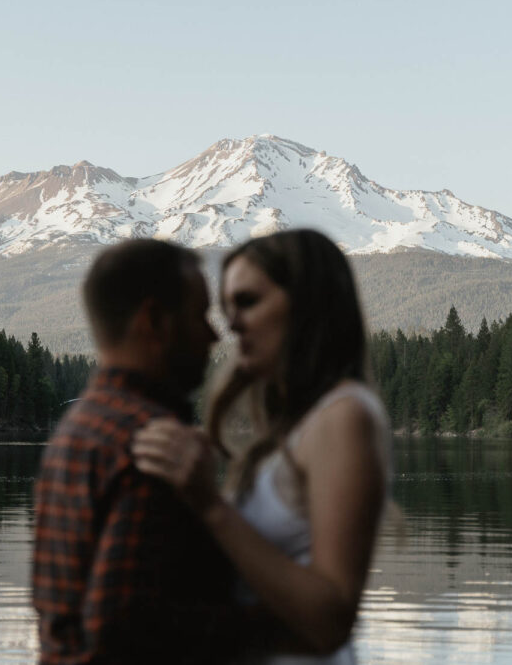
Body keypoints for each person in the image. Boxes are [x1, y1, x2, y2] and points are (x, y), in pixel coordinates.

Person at [133, 229, 390, 665]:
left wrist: (211, 506)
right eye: (227, 307)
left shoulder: (343, 416)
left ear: (307, 305)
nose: (230, 325)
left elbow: (330, 621)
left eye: (247, 302)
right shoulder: (294, 428)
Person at [33, 239, 271, 665]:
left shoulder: (79, 428)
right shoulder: (153, 445)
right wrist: (275, 624)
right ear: (155, 322)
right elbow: (123, 627)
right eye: (199, 315)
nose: (214, 334)